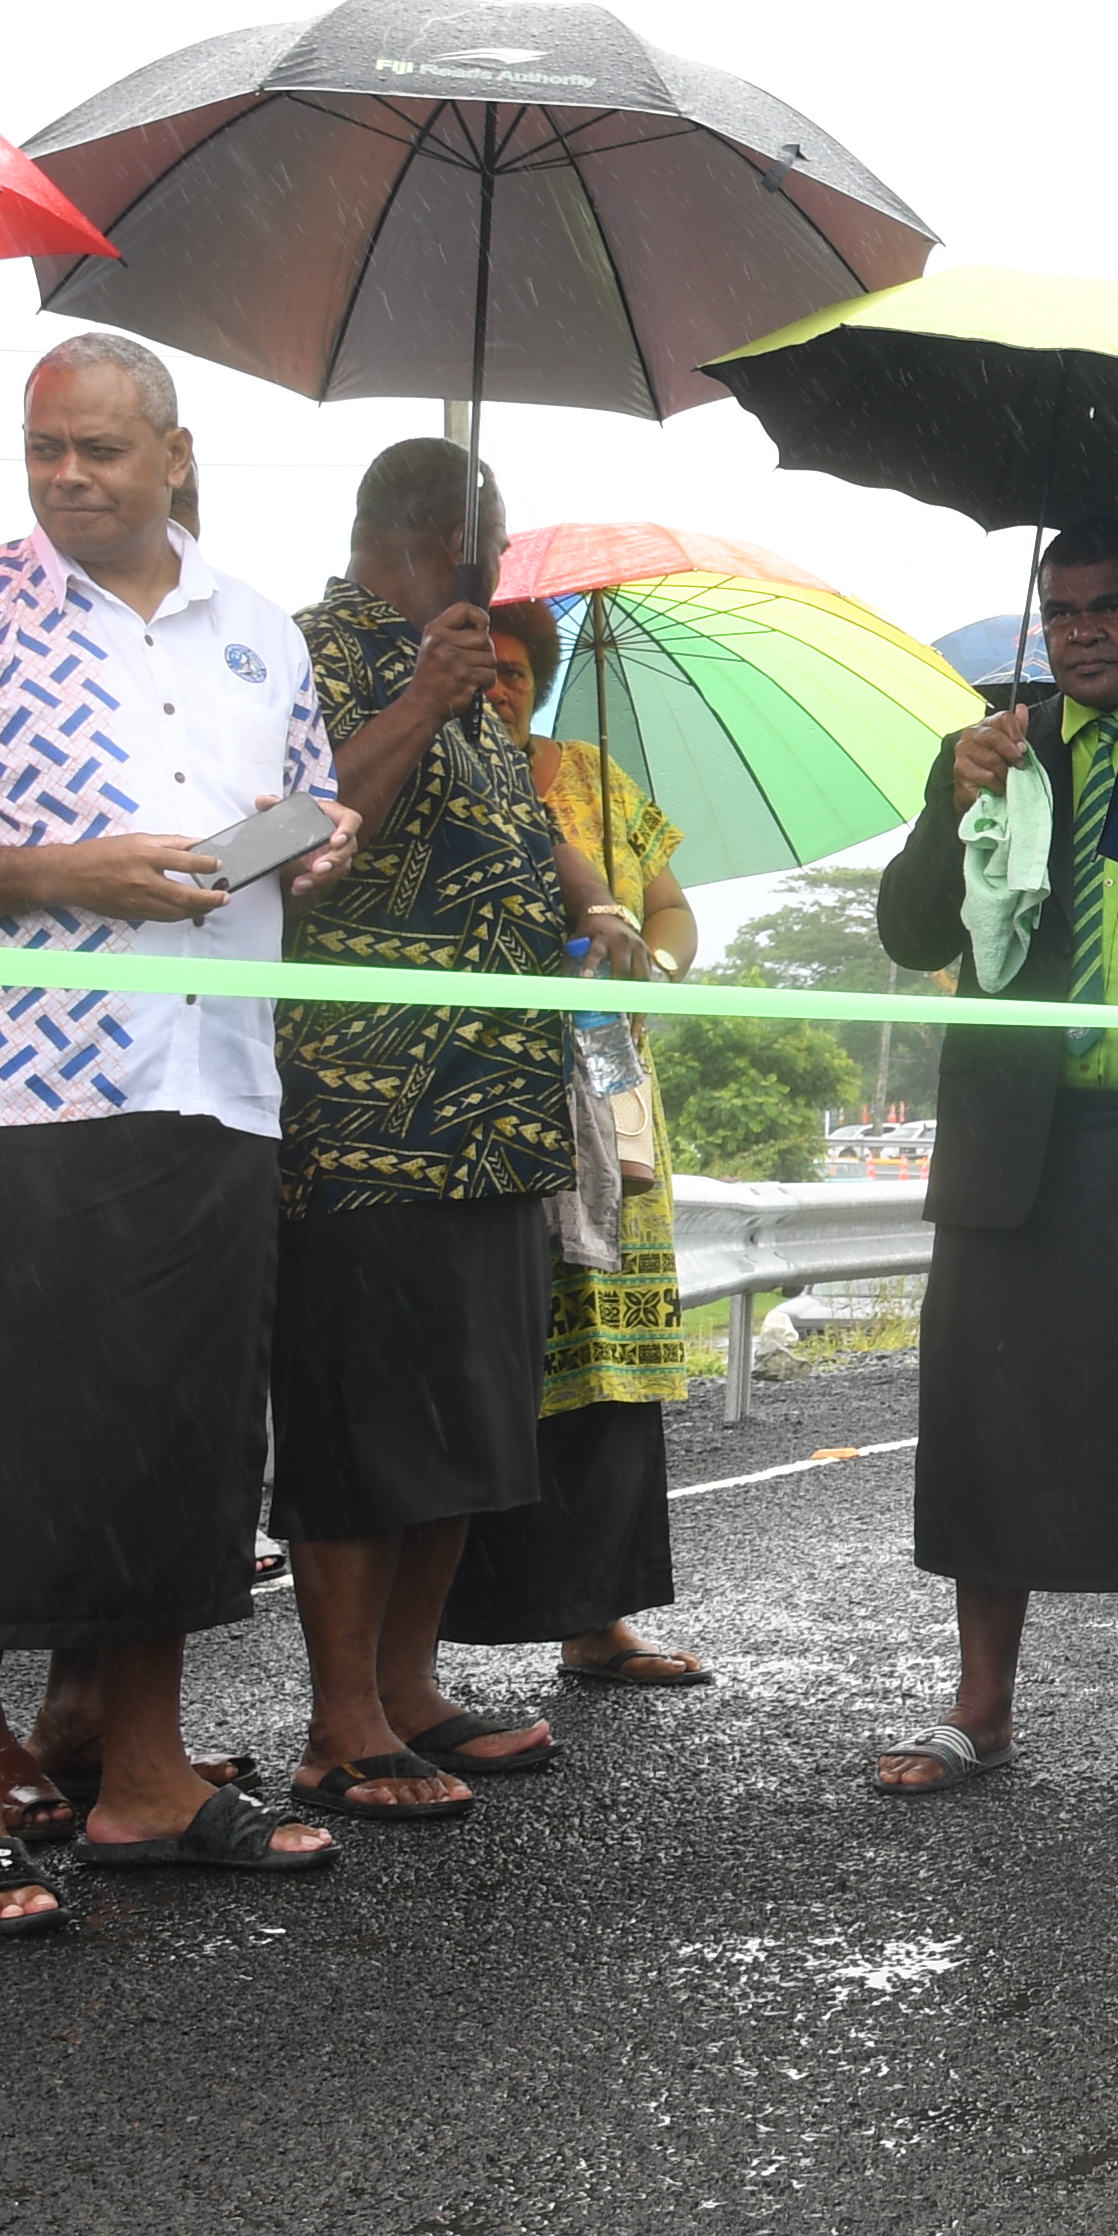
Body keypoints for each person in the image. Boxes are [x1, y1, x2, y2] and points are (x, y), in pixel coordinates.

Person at [0, 332, 352, 1937]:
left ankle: (146, 1778)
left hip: (217, 1088)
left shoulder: (262, 636)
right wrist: (69, 872)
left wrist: (309, 846)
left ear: (173, 456)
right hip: (18, 1094)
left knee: (181, 1451)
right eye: (45, 450)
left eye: (100, 451)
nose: (66, 478)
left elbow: (306, 810)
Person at [272, 441, 615, 1825]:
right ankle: (339, 1722)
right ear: (443, 537)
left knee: (465, 1423)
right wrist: (421, 694)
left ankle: (408, 1688)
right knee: (369, 1431)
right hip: (371, 1116)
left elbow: (516, 839)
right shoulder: (323, 654)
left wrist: (587, 903)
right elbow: (303, 830)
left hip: (496, 1116)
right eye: (495, 541)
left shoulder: (466, 673)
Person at [873, 531, 1118, 1798]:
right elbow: (910, 931)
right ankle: (980, 1705)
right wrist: (953, 800)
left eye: (1113, 606)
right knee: (986, 1422)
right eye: (1062, 611)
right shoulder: (991, 748)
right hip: (1014, 1140)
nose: (1085, 631)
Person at [442, 594, 703, 1693]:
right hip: (475, 1092)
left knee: (607, 1359)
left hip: (609, 1088)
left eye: (517, 669)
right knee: (480, 1359)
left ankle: (598, 1622)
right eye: (483, 666)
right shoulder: (433, 772)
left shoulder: (601, 781)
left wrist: (654, 960)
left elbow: (671, 910)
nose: (500, 685)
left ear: (540, 677)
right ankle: (420, 1650)